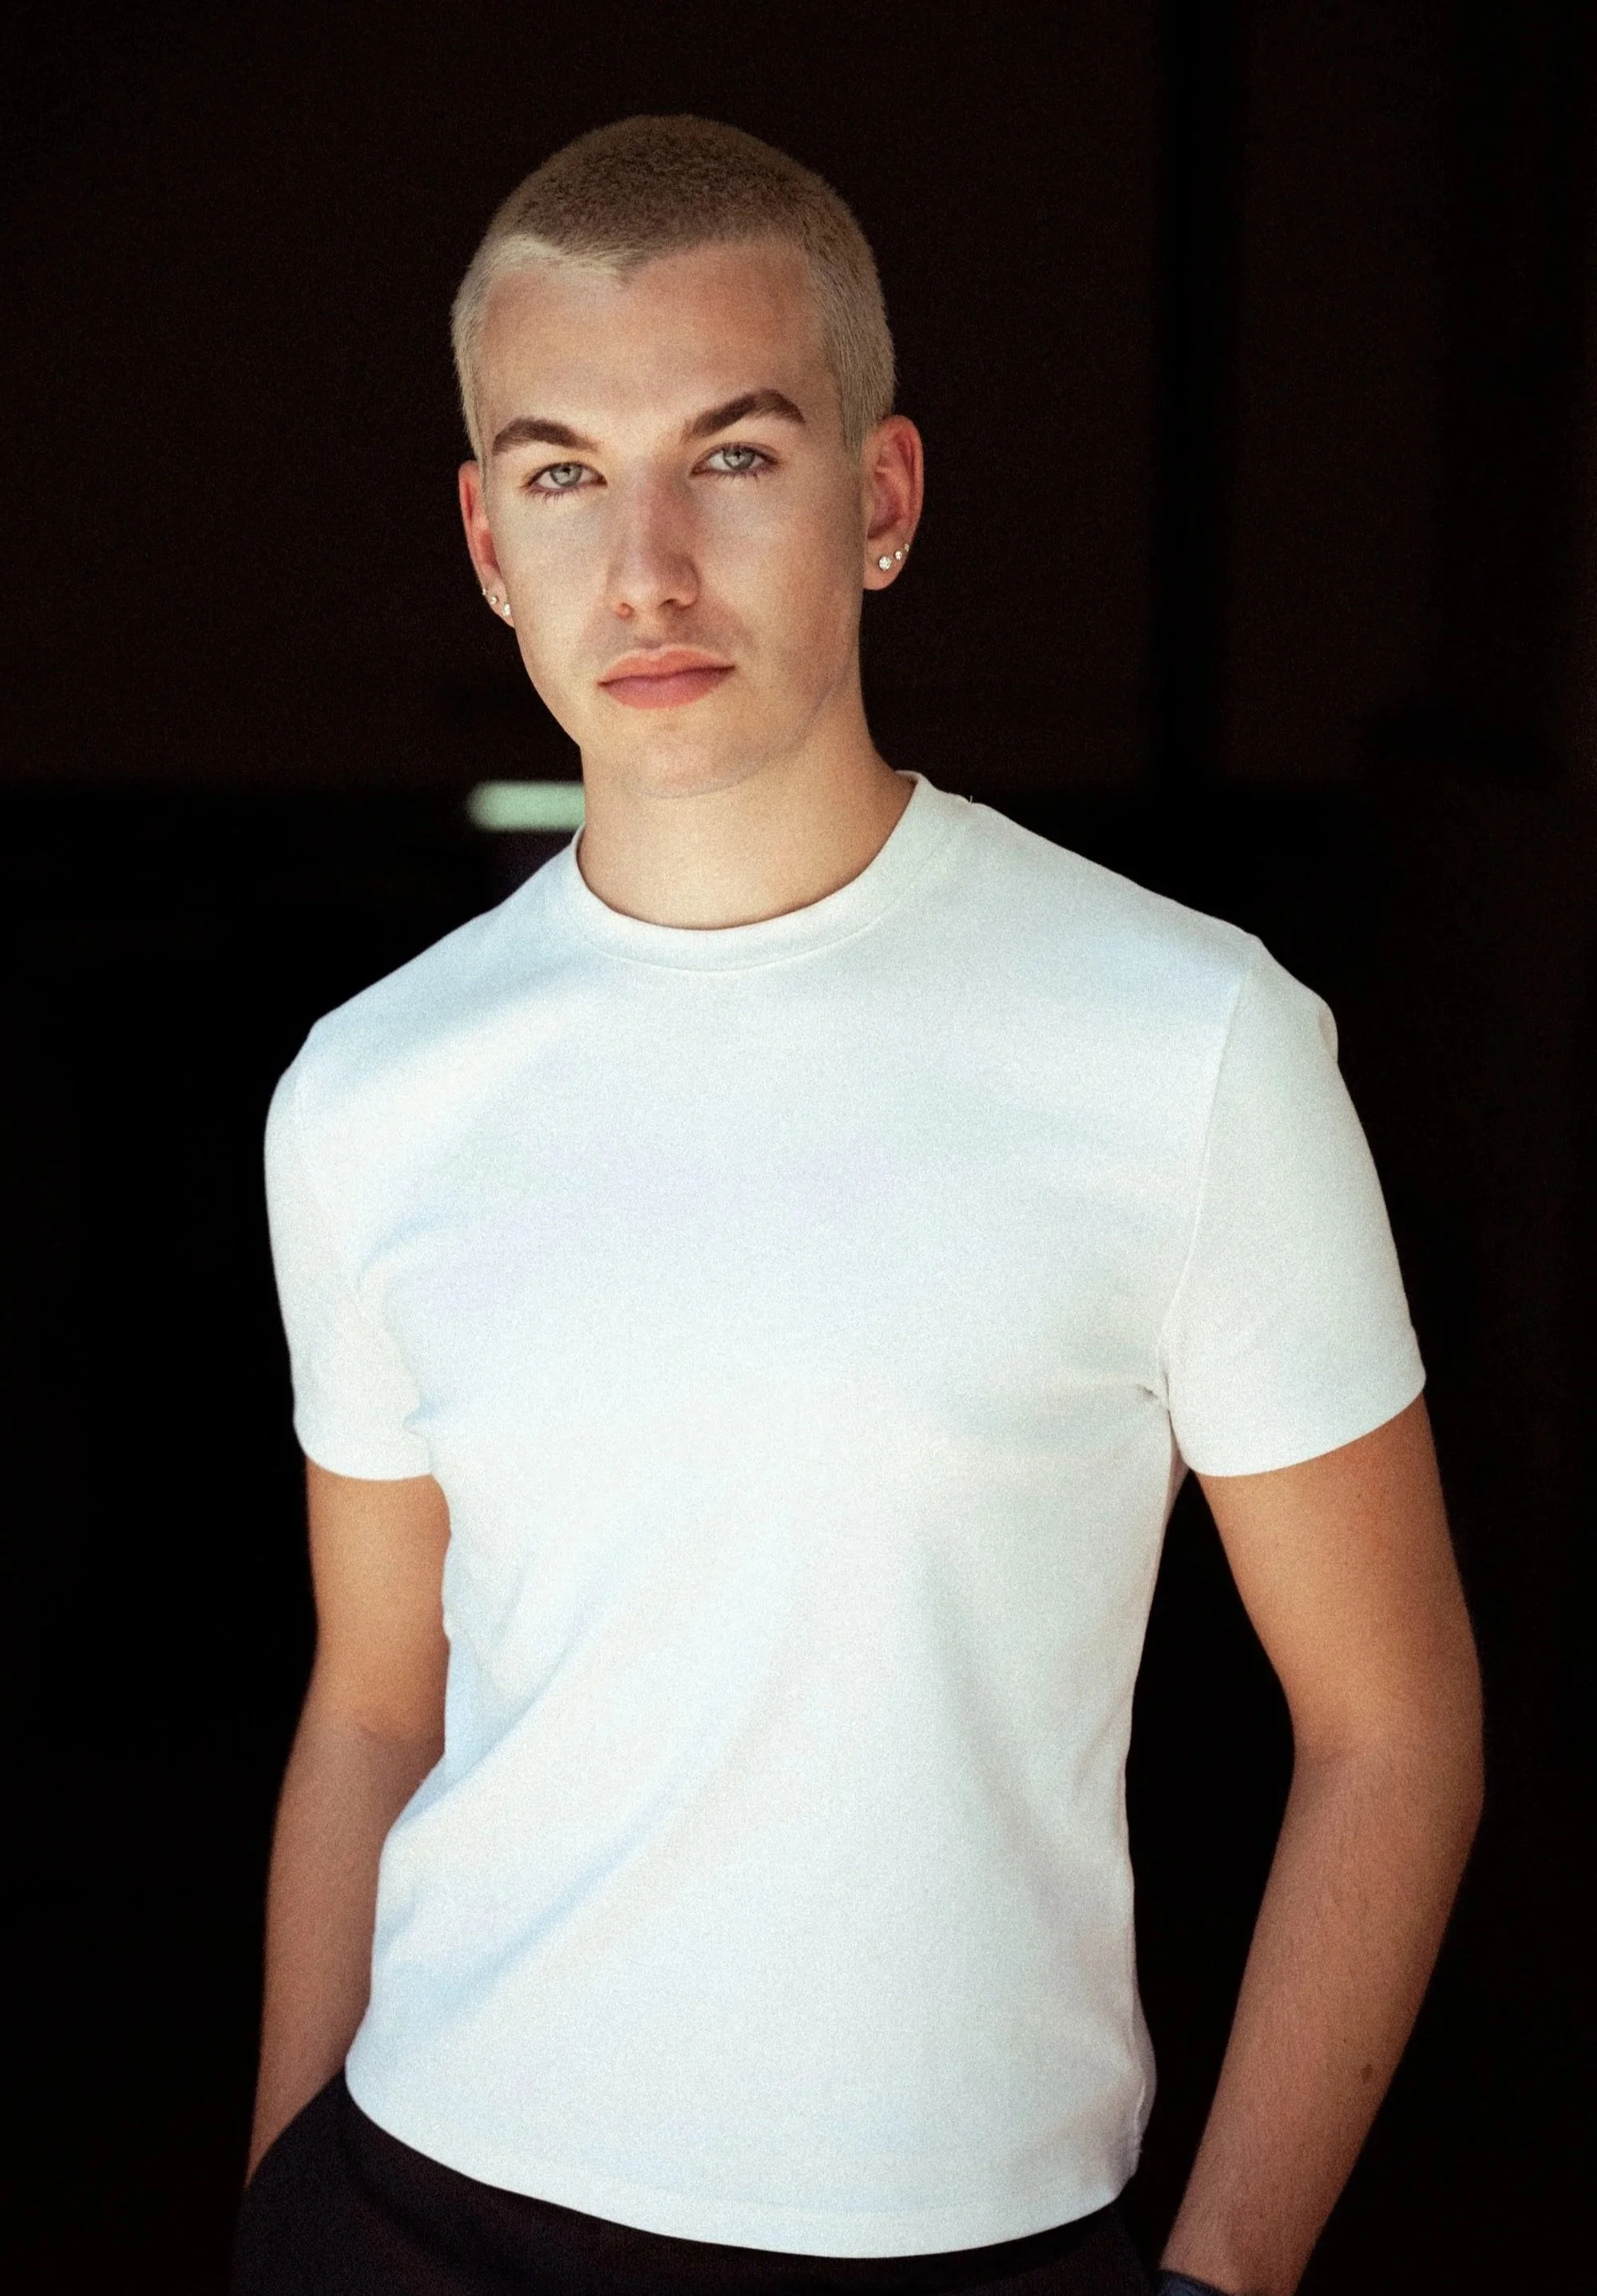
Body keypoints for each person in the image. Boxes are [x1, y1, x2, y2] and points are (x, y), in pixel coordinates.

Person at [232, 116, 1484, 2296]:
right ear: (480, 533)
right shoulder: (371, 1090)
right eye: (560, 471)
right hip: (413, 2207)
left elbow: (1396, 1728)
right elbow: (370, 1700)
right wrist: (276, 2209)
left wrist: (1217, 2280)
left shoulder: (1189, 1044)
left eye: (732, 456)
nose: (645, 568)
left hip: (968, 2245)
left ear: (882, 496)